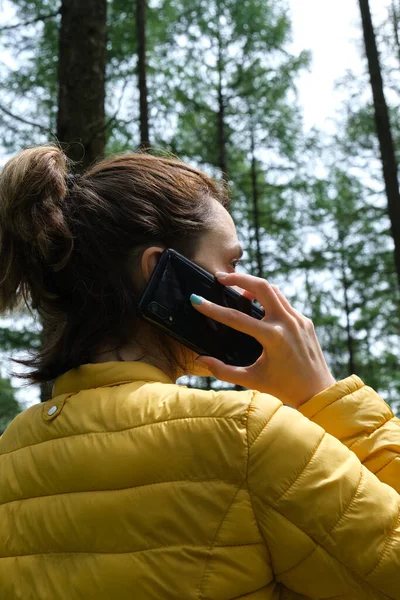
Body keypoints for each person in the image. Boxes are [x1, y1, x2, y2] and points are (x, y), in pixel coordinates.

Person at [0, 145, 399, 600]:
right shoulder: (248, 436)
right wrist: (325, 397)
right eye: (230, 264)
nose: (247, 294)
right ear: (160, 274)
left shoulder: (10, 454)